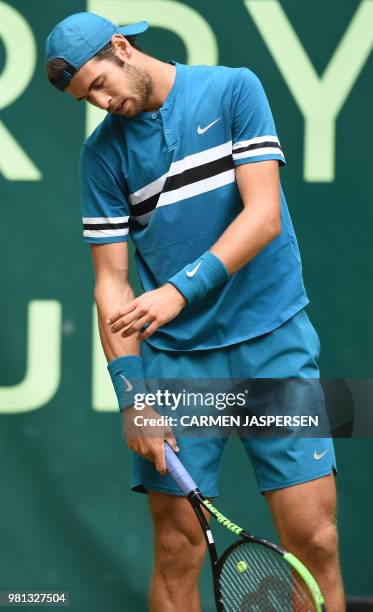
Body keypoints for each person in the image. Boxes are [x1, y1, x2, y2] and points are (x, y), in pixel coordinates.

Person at [46, 12, 345, 611]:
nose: (104, 103)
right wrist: (133, 396)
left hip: (274, 342)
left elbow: (262, 216)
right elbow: (110, 284)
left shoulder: (234, 89)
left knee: (314, 540)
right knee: (179, 546)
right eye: (88, 99)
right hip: (179, 366)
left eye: (101, 84)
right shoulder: (101, 157)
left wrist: (178, 291)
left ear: (122, 47)